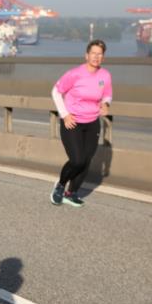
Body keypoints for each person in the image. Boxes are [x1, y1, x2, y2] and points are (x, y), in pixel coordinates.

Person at [50, 39, 113, 207]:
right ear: (87, 56)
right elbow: (56, 91)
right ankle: (60, 186)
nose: (96, 57)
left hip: (92, 123)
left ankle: (72, 193)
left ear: (103, 57)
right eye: (93, 53)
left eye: (100, 54)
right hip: (73, 122)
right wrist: (64, 115)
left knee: (86, 161)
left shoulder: (105, 75)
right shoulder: (75, 74)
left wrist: (106, 104)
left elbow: (107, 94)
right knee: (77, 160)